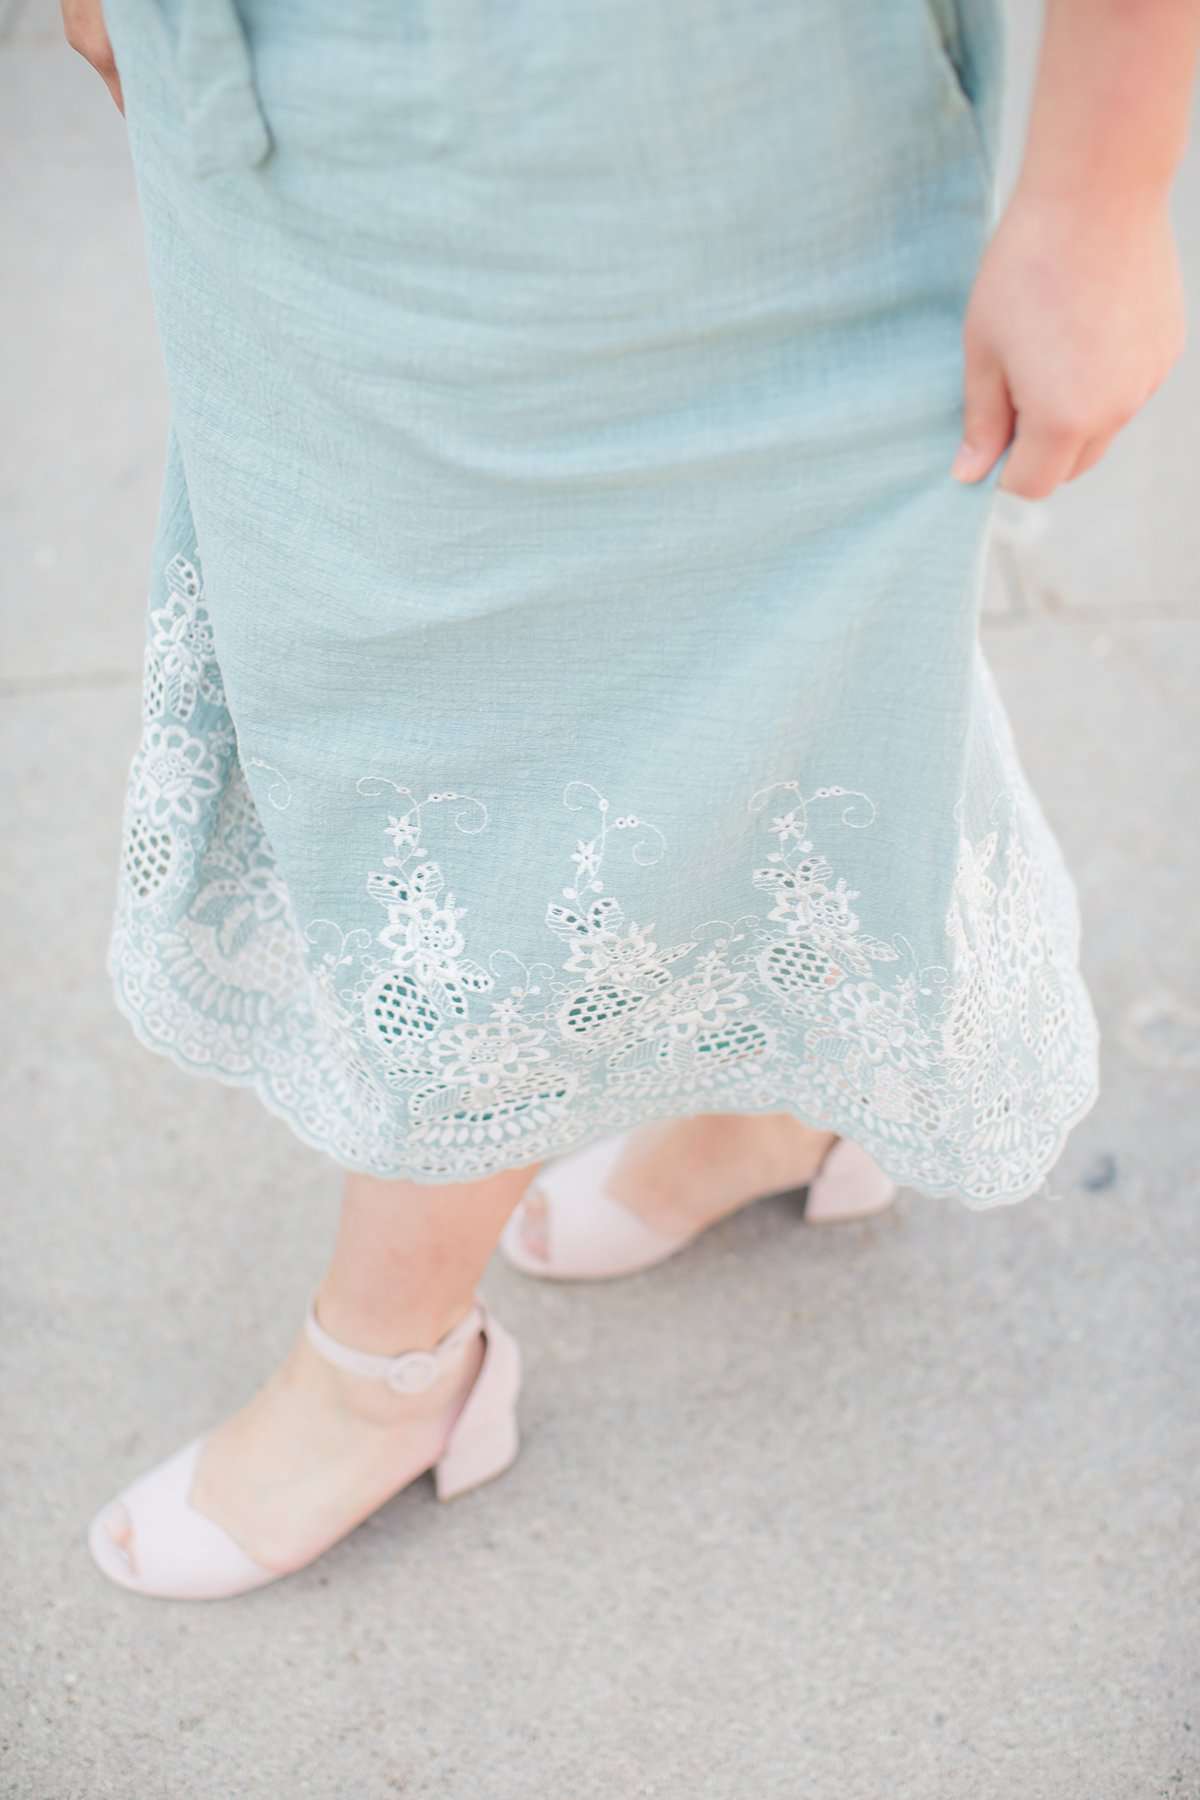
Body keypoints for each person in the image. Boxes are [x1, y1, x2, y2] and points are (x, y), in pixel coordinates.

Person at [62, 0, 1193, 1601]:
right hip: (309, 95)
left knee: (758, 631)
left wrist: (1102, 191)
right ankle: (777, 1097)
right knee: (399, 660)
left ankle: (391, 1367)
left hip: (726, 97)